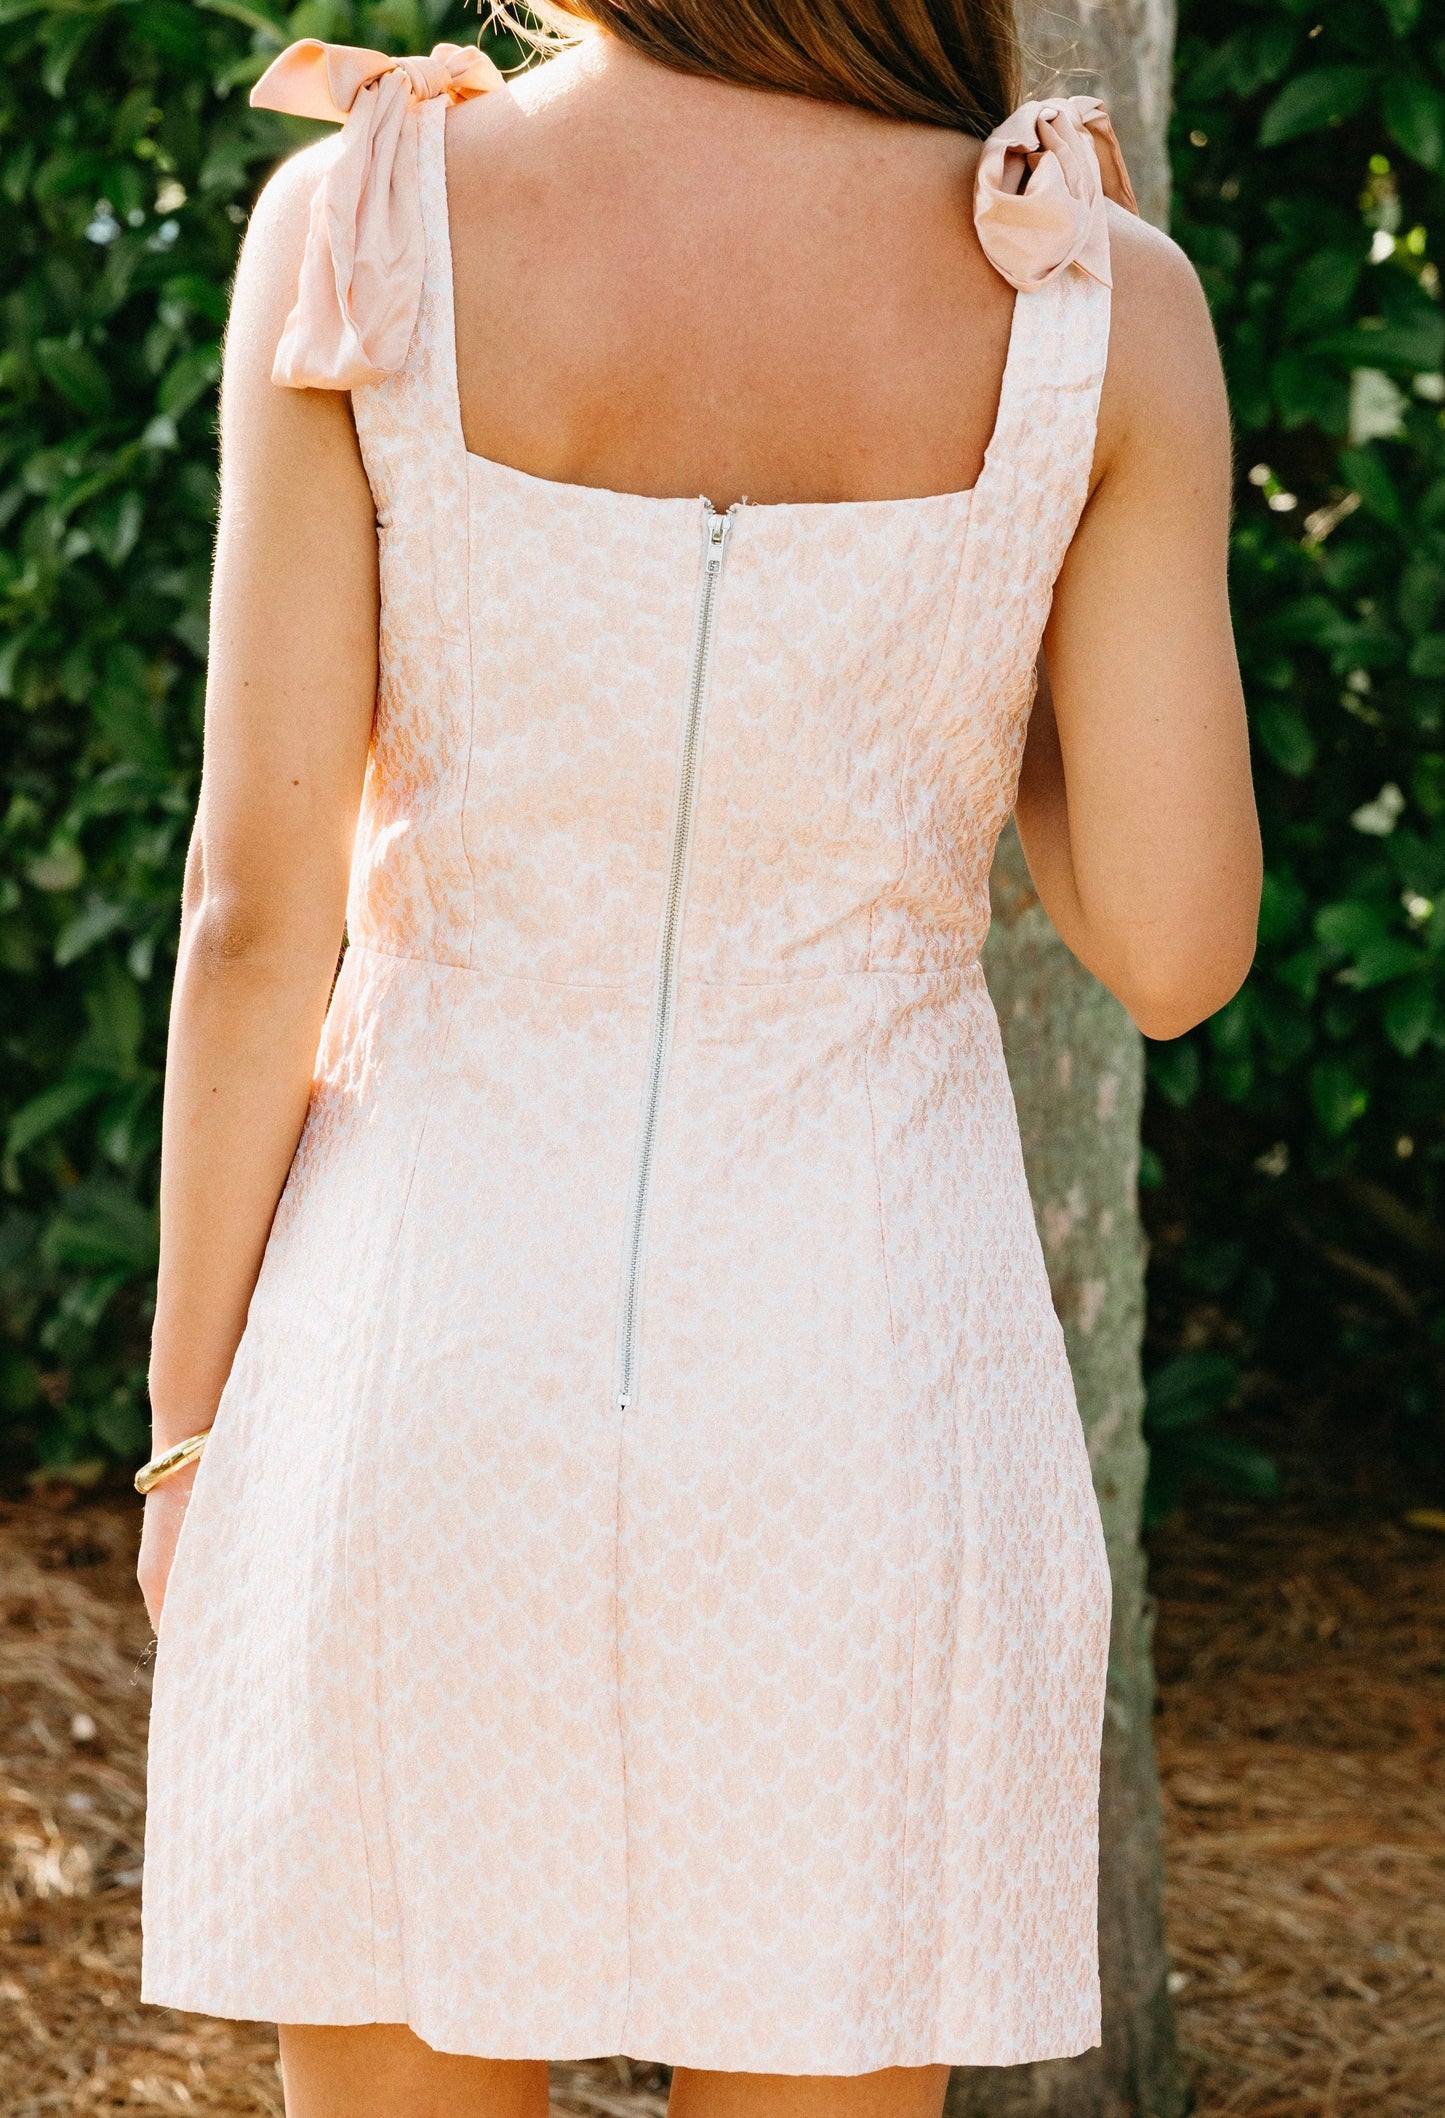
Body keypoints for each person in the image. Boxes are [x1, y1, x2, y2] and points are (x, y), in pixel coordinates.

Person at [134, 2, 1261, 2114]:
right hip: (872, 1386)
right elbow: (1180, 948)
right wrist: (990, 573)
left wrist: (195, 1433)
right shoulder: (1094, 295)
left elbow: (254, 911)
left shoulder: (368, 216)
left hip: (417, 1355)